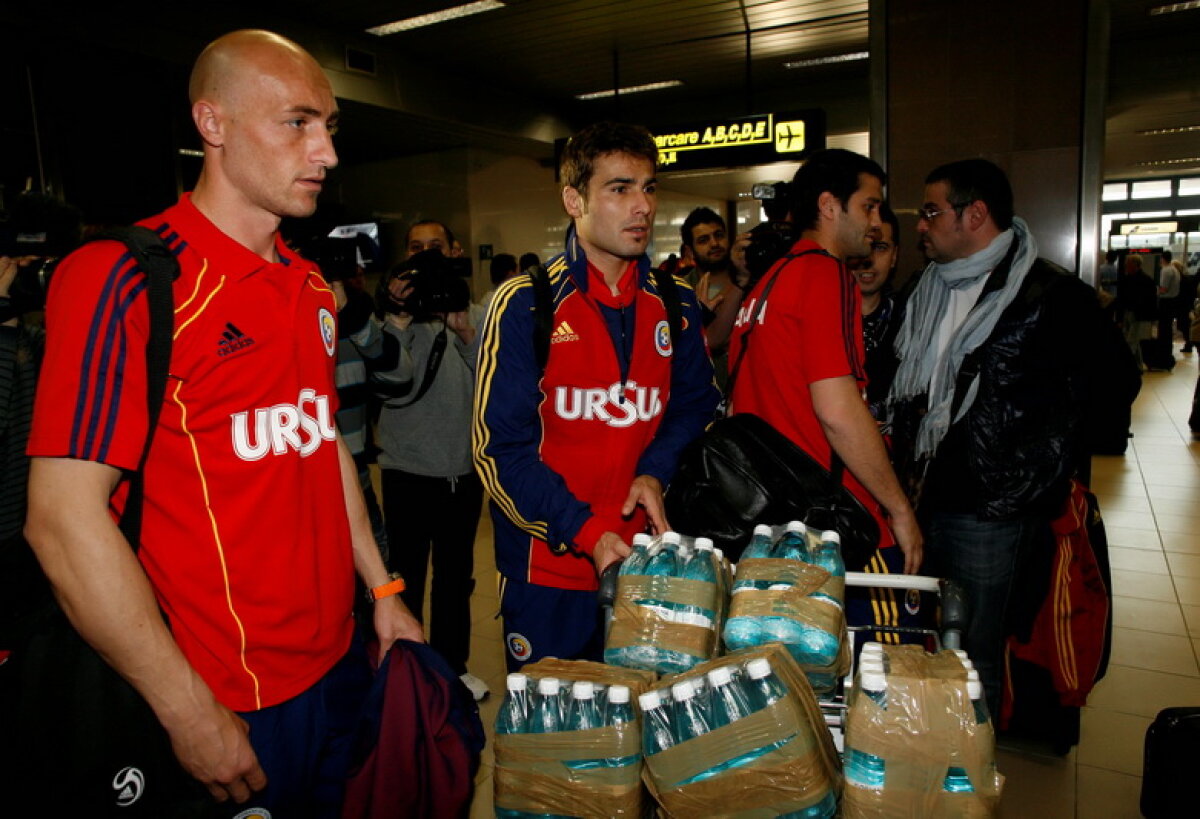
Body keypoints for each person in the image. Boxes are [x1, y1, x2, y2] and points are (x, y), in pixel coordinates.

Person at [22, 30, 422, 812]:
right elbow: (62, 522)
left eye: (331, 126)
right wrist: (185, 707)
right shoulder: (127, 278)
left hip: (339, 665)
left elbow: (322, 443)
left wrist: (383, 587)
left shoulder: (309, 287)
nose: (327, 152)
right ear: (213, 124)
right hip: (223, 694)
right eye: (297, 123)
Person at [473, 121, 719, 671]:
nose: (642, 207)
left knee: (649, 737)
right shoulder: (526, 304)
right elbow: (499, 451)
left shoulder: (675, 302)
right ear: (573, 199)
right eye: (620, 188)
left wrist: (654, 470)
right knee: (557, 745)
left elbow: (695, 405)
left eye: (649, 188)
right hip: (550, 570)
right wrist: (586, 532)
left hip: (652, 564)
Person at [888, 158, 1103, 717]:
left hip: (990, 507)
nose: (921, 226)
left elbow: (1105, 392)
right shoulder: (924, 288)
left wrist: (1029, 475)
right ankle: (927, 737)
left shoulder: (1050, 294)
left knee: (975, 646)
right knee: (922, 631)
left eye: (932, 212)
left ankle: (968, 764)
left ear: (975, 214)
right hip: (920, 493)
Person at [727, 148, 923, 645]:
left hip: (774, 523)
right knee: (876, 671)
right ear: (830, 206)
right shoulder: (824, 273)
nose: (877, 224)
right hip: (839, 527)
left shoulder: (767, 282)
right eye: (870, 207)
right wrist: (898, 509)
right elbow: (838, 411)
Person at [366, 220, 489, 701]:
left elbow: (494, 382)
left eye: (434, 248)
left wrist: (462, 331)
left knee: (456, 580)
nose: (424, 257)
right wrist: (397, 317)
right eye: (415, 249)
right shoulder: (388, 324)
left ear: (454, 252)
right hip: (406, 472)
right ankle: (407, 673)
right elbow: (387, 387)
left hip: (462, 471)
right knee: (407, 579)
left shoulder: (471, 312)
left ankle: (452, 668)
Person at [847, 202, 904, 421]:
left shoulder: (912, 320)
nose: (868, 260)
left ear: (895, 256)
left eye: (880, 247)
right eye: (864, 246)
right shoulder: (821, 320)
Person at [681, 206, 738, 385]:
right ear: (690, 251)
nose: (714, 244)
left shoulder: (752, 281)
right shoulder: (679, 291)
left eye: (719, 235)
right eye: (704, 240)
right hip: (701, 392)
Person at [1117, 254, 1158, 371]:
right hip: (1134, 313)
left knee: (1131, 341)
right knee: (1134, 340)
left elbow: (1122, 299)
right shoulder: (1146, 280)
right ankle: (1138, 365)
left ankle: (1127, 366)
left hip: (1137, 314)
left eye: (1128, 264)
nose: (1125, 266)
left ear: (1134, 265)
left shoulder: (1130, 280)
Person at [1157, 249, 1182, 349]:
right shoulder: (1175, 270)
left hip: (1165, 302)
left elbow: (1163, 289)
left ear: (1162, 259)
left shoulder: (1166, 270)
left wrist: (1155, 292)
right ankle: (1167, 346)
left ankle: (1162, 348)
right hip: (1173, 300)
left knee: (1163, 327)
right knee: (1168, 327)